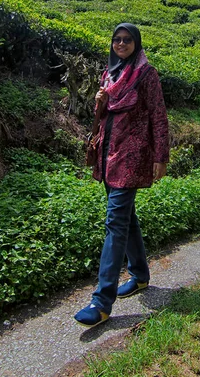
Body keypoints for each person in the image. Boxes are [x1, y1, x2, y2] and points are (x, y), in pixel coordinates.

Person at [74, 23, 170, 328]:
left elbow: (158, 115)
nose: (121, 43)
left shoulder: (146, 74)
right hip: (108, 154)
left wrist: (161, 156)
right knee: (126, 218)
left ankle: (102, 302)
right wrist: (100, 102)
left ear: (136, 43)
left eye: (127, 39)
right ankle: (140, 275)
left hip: (132, 155)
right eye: (117, 39)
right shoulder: (110, 74)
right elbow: (103, 116)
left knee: (115, 221)